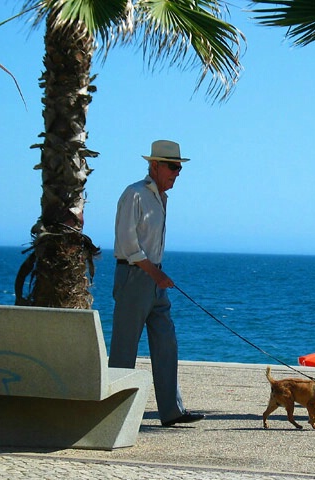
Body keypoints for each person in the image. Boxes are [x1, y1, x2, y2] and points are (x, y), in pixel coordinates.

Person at [109, 139, 204, 427]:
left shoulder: (161, 198)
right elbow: (128, 245)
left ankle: (171, 410)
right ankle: (113, 412)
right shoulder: (134, 194)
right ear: (155, 165)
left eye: (179, 168)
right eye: (173, 167)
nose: (177, 173)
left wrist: (157, 274)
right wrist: (154, 273)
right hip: (135, 276)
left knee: (166, 343)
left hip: (154, 278)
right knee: (125, 348)